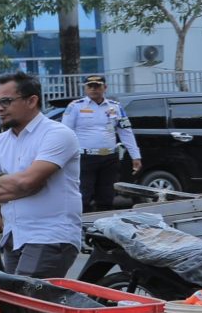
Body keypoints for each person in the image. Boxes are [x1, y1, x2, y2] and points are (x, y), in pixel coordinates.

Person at [0, 71, 84, 276]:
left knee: (26, 302)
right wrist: (20, 188)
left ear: (32, 100)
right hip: (14, 236)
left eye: (6, 101)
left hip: (50, 236)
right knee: (14, 304)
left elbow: (28, 181)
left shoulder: (57, 134)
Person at [60, 76, 141, 212]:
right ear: (85, 88)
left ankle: (103, 227)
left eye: (97, 86)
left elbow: (125, 131)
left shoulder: (115, 107)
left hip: (109, 158)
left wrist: (135, 156)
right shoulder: (76, 106)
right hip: (85, 158)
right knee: (83, 196)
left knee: (107, 197)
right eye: (90, 86)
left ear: (105, 88)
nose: (93, 89)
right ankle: (82, 229)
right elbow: (65, 132)